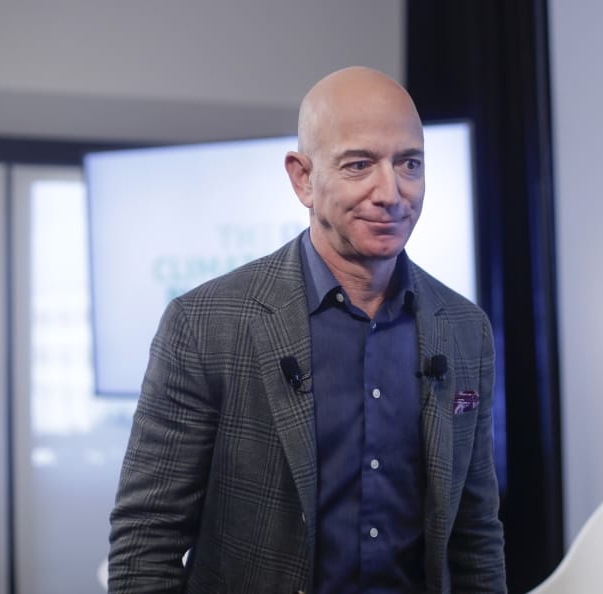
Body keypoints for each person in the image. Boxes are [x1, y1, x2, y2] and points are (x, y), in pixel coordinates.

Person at [108, 66, 506, 593]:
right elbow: (146, 541)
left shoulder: (463, 328)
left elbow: (475, 536)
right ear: (302, 178)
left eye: (409, 163)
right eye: (359, 165)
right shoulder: (205, 325)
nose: (391, 191)